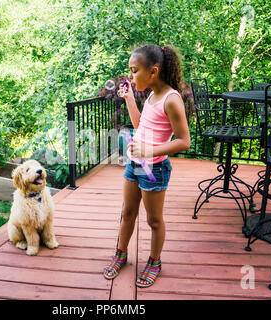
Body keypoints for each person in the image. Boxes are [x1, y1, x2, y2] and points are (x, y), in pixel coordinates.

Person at [103, 44, 191, 288]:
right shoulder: (152, 95)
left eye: (134, 71)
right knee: (127, 213)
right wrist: (130, 98)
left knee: (154, 221)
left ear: (153, 71)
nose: (131, 76)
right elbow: (141, 125)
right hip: (136, 165)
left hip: (155, 169)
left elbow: (185, 141)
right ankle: (121, 254)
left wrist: (149, 151)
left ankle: (154, 261)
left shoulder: (171, 99)